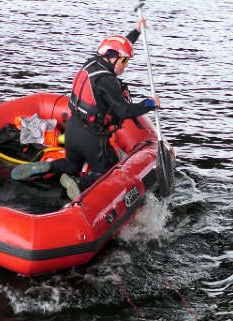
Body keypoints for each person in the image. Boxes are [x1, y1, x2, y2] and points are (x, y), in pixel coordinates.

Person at [9, 18, 158, 200]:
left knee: (72, 164)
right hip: (92, 137)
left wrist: (136, 31)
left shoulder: (92, 63)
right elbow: (124, 111)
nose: (126, 65)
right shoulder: (107, 81)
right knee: (107, 172)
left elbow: (118, 47)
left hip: (73, 128)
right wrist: (150, 104)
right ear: (112, 58)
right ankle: (80, 184)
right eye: (124, 61)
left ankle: (49, 167)